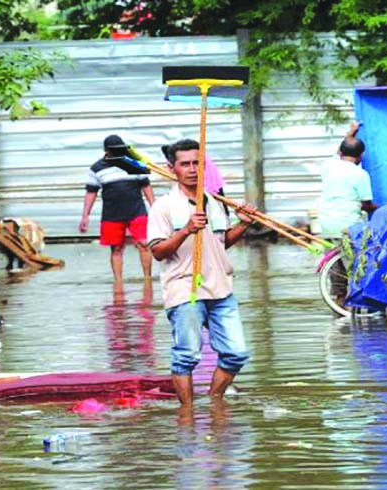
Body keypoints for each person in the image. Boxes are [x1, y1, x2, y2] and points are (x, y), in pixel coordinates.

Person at [147, 138, 255, 408]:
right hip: (185, 290)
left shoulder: (216, 201)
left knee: (236, 354)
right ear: (172, 168)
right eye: (186, 164)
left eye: (198, 163)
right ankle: (186, 412)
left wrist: (244, 225)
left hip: (221, 288)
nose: (193, 169)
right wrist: (185, 230)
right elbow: (158, 252)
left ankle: (215, 401)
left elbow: (221, 243)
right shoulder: (164, 206)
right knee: (186, 356)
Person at [79, 134, 155, 288]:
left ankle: (148, 281)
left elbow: (146, 185)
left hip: (137, 210)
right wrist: (85, 216)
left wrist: (154, 206)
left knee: (144, 244)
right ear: (106, 150)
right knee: (117, 248)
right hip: (112, 214)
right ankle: (118, 284)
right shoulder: (97, 168)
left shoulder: (134, 163)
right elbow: (91, 192)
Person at [318, 122, 377, 237]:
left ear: (341, 152)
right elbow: (366, 206)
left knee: (332, 253)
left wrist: (352, 132)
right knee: (354, 254)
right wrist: (382, 207)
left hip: (326, 225)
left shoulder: (328, 165)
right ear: (362, 155)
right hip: (349, 227)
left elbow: (339, 150)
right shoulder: (360, 174)